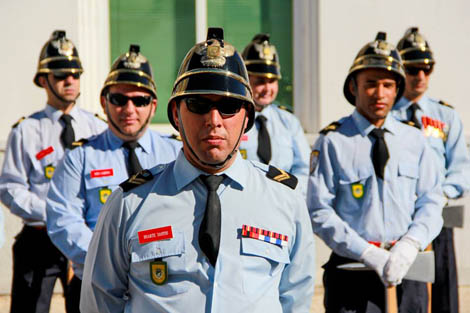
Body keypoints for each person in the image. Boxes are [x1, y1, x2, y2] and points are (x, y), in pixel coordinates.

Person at [80, 27, 316, 313]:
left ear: (247, 119)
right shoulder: (130, 203)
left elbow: (296, 298)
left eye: (228, 106)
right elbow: (100, 300)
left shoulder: (284, 200)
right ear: (176, 116)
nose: (213, 120)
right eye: (198, 104)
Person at [307, 32, 446, 312]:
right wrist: (366, 252)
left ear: (397, 89)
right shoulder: (333, 141)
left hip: (408, 268)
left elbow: (431, 200)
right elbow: (319, 210)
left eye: (387, 85)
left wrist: (410, 243)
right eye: (370, 84)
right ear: (353, 87)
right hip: (352, 269)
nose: (379, 94)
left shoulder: (415, 139)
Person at [45, 44, 182, 312]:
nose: (129, 109)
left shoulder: (177, 152)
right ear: (104, 102)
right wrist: (111, 261)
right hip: (96, 282)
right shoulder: (80, 156)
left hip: (162, 288)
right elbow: (63, 220)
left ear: (153, 106)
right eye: (119, 100)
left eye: (140, 100)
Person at [0, 30, 107, 313]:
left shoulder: (97, 127)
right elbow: (10, 187)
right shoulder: (27, 130)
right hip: (40, 238)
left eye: (75, 74)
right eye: (61, 75)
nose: (70, 80)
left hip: (86, 237)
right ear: (43, 80)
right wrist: (55, 214)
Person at [392, 27, 470, 313]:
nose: (420, 76)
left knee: (444, 291)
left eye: (427, 68)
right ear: (401, 69)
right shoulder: (385, 115)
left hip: (438, 214)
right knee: (405, 292)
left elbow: (462, 170)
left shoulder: (444, 115)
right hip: (399, 216)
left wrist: (437, 196)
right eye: (413, 68)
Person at [239, 34, 310, 195]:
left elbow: (304, 169)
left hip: (283, 202)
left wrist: (290, 195)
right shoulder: (234, 119)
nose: (267, 89)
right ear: (245, 81)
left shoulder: (289, 122)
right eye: (259, 82)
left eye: (271, 81)